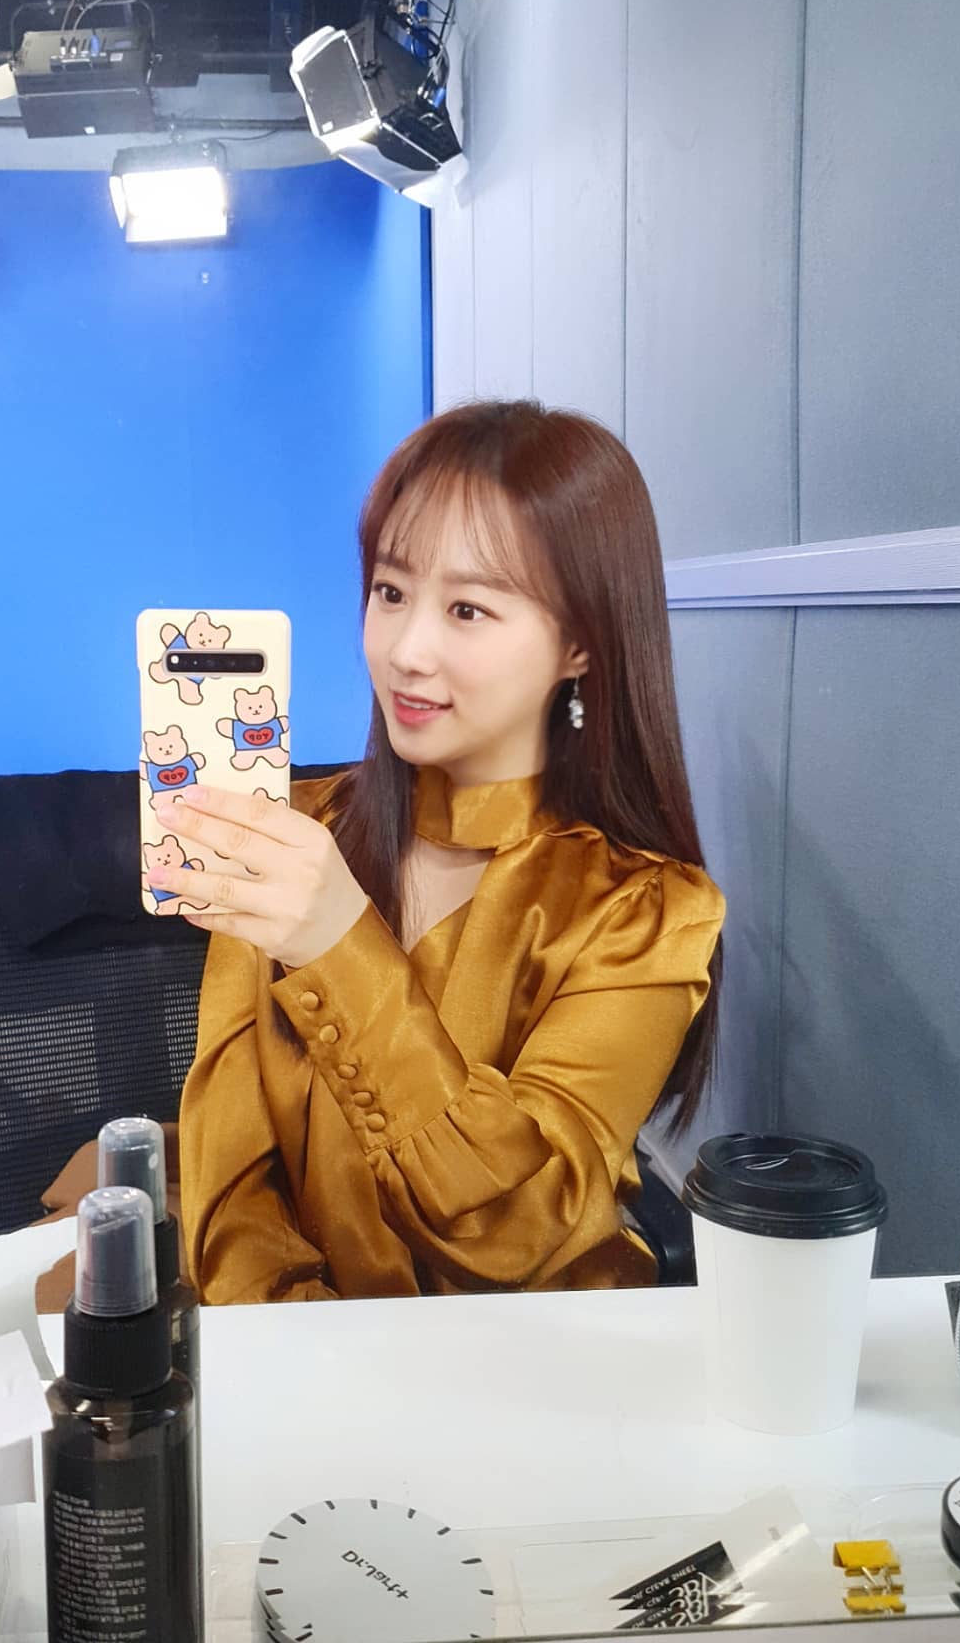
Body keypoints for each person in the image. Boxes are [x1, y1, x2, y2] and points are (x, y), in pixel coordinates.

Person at [150, 400, 726, 1302]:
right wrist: (303, 1352)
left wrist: (339, 945)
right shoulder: (293, 834)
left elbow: (517, 1228)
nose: (406, 652)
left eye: (467, 608)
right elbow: (233, 1187)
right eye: (390, 592)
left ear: (579, 643)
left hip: (539, 1365)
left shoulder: (645, 912)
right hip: (292, 1363)